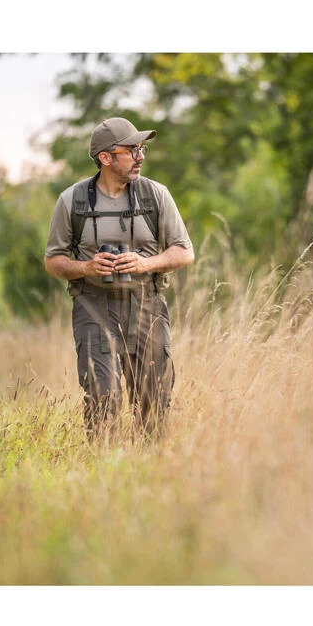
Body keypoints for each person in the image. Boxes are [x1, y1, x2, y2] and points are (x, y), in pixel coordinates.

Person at [44, 117, 194, 439]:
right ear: (105, 157)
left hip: (147, 305)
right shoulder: (72, 201)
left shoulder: (155, 195)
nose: (141, 156)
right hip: (93, 307)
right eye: (132, 150)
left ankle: (149, 465)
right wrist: (86, 268)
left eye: (142, 149)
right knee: (102, 397)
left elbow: (184, 252)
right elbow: (53, 261)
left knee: (154, 401)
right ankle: (103, 464)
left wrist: (145, 264)